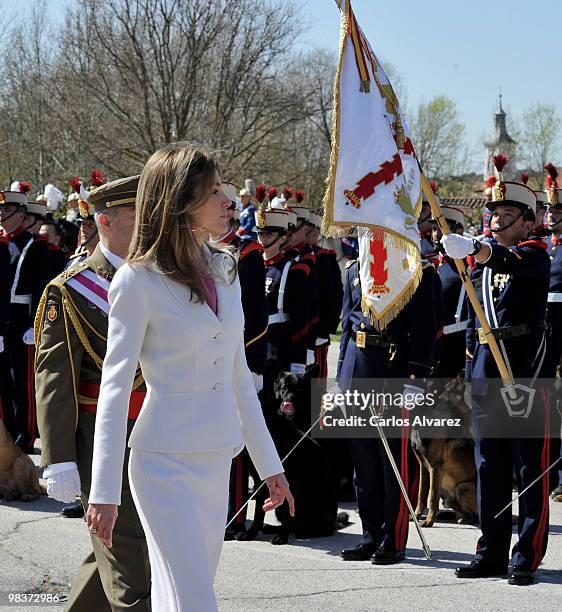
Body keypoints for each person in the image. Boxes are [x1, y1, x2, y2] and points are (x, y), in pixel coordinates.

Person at [87, 144, 293, 612]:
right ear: (180, 201)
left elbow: (240, 377)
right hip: (164, 462)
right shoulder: (137, 280)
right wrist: (102, 491)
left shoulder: (225, 269)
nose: (228, 202)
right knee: (194, 600)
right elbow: (115, 388)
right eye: (214, 191)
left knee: (177, 594)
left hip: (216, 456)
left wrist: (271, 466)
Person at [35, 176, 151, 611]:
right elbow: (53, 380)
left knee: (114, 550)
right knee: (130, 565)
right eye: (139, 216)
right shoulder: (70, 290)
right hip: (103, 439)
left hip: (159, 432)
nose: (151, 224)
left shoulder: (157, 277)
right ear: (106, 221)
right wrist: (58, 456)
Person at [442, 164, 551, 586]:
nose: (498, 218)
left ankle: (527, 554)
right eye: (495, 212)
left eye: (508, 213)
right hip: (487, 371)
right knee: (490, 466)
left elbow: (511, 260)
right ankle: (490, 551)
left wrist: (477, 248)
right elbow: (473, 322)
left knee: (529, 470)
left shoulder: (536, 253)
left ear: (528, 220)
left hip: (524, 372)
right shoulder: (481, 266)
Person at [337, 254, 440, 564]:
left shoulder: (415, 269)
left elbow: (427, 327)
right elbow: (347, 326)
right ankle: (369, 535)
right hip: (358, 366)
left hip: (393, 367)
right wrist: (342, 377)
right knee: (363, 459)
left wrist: (415, 378)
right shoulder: (356, 267)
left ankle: (392, 539)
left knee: (391, 459)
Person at [0, 192, 51, 452]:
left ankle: (28, 433)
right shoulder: (5, 243)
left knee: (24, 381)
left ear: (21, 215)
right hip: (5, 321)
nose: (2, 215)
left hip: (22, 322)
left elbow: (41, 287)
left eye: (7, 210)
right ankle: (10, 429)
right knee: (5, 382)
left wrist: (35, 323)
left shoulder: (33, 245)